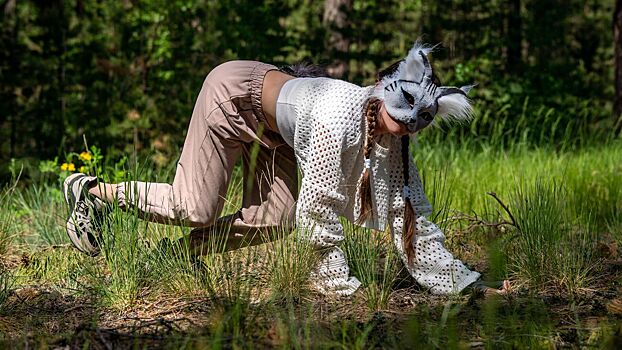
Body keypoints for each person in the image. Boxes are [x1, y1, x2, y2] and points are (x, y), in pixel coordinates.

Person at [63, 42, 510, 296]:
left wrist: (460, 282)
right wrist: (336, 284)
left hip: (277, 128)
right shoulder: (338, 119)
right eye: (404, 114)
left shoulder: (389, 134)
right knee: (194, 207)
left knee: (274, 220)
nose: (408, 126)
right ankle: (92, 191)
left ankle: (174, 259)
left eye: (420, 122)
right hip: (234, 96)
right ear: (383, 92)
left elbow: (408, 210)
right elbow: (317, 208)